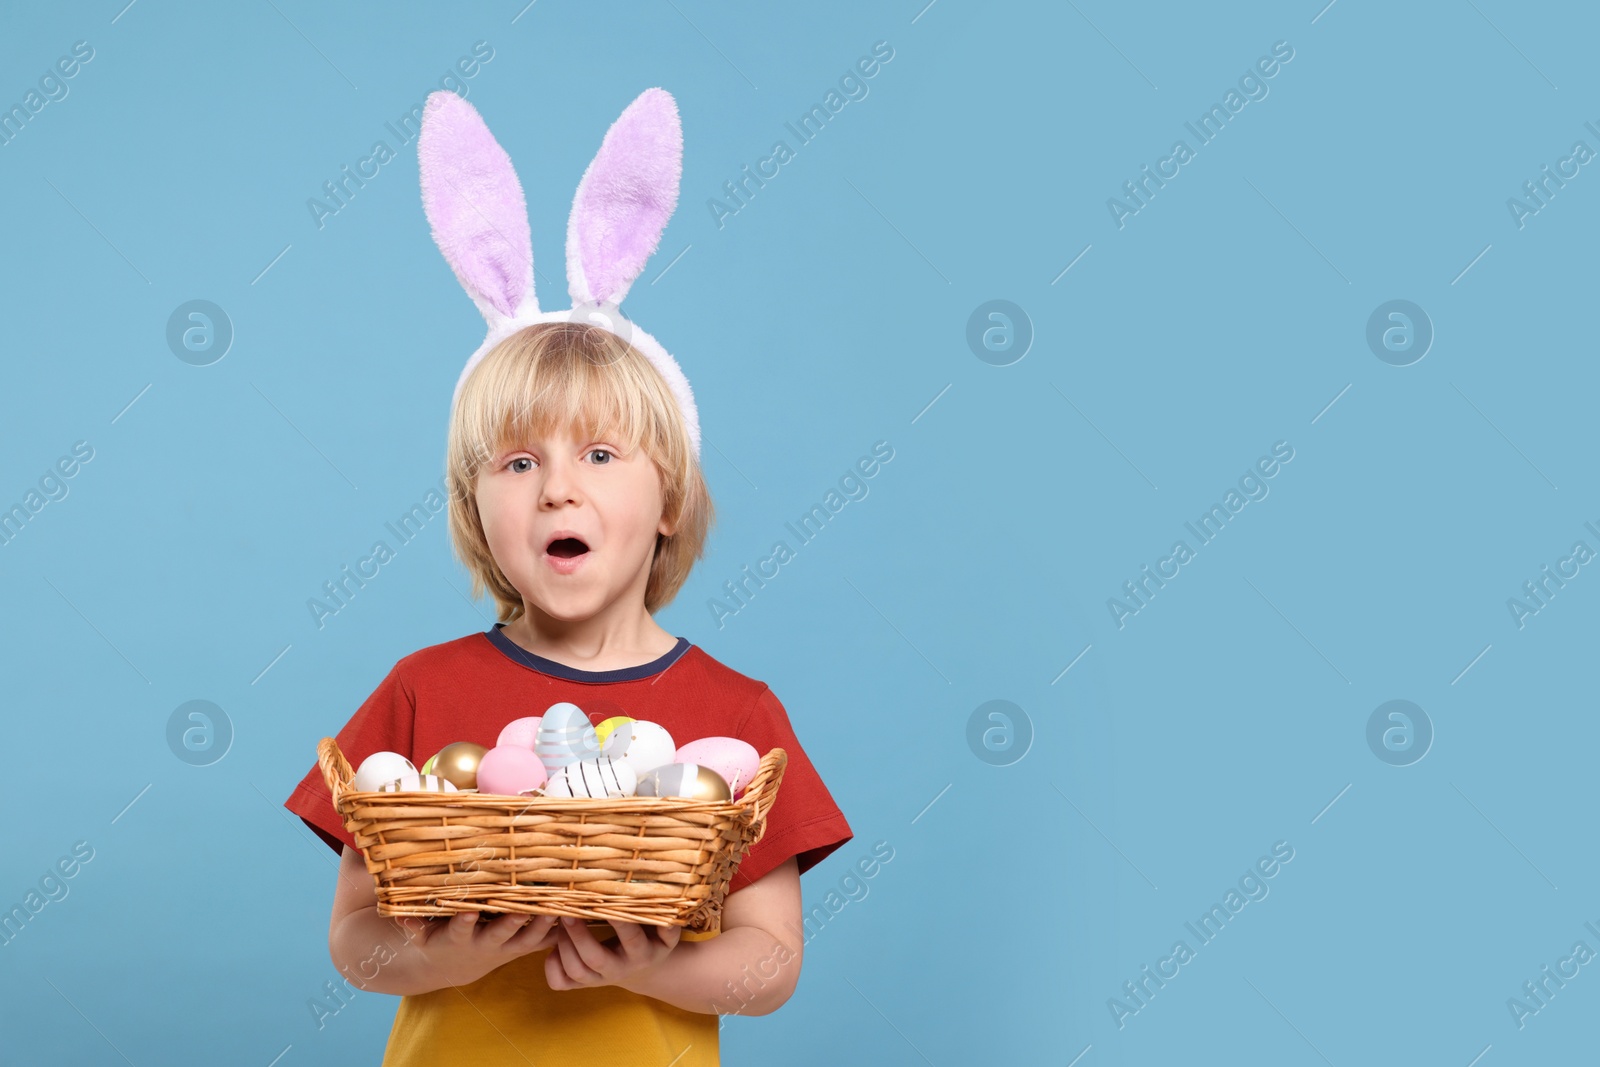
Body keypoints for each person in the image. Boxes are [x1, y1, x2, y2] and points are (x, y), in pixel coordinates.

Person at [283, 321, 853, 1065]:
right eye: (519, 462)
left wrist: (656, 967)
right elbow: (353, 937)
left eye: (600, 454)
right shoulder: (422, 688)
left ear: (669, 503)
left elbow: (772, 961)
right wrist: (434, 963)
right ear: (476, 515)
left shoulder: (738, 714)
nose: (557, 489)